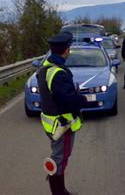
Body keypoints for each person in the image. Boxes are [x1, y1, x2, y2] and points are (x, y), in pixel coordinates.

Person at [37, 31, 87, 195]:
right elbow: (67, 100)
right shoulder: (59, 73)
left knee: (59, 158)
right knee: (60, 159)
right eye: (69, 48)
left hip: (51, 123)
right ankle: (59, 192)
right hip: (62, 125)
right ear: (66, 50)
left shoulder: (45, 68)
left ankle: (61, 190)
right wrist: (81, 99)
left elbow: (53, 95)